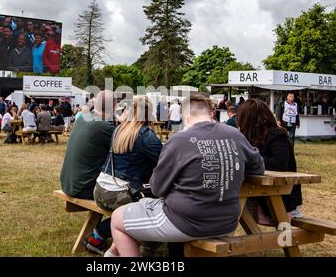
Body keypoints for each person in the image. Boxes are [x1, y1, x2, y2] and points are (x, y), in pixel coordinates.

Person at [106, 93, 265, 257]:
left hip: (186, 222)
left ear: (184, 115)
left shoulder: (179, 140)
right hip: (227, 221)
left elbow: (157, 188)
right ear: (212, 112)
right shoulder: (235, 135)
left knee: (117, 219)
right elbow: (258, 167)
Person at [86, 96, 163, 255]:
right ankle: (146, 249)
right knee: (154, 210)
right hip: (118, 194)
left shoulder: (119, 129)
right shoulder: (146, 136)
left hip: (100, 190)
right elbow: (165, 163)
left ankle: (99, 236)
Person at [237, 98, 304, 221]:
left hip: (283, 196)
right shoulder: (252, 136)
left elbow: (279, 165)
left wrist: (252, 158)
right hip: (260, 193)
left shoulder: (276, 135)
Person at [60, 90, 116, 200]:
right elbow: (128, 147)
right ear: (113, 107)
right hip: (84, 188)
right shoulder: (104, 126)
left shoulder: (82, 118)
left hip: (68, 184)